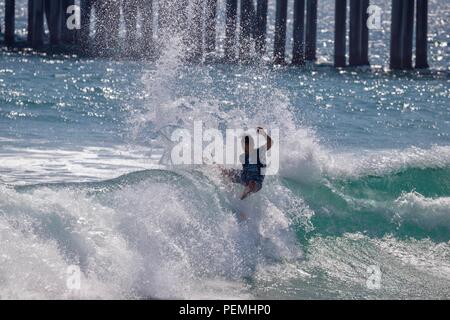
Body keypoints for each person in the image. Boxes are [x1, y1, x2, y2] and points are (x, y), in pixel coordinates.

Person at [223, 127, 272, 200]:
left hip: (256, 182)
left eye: (247, 147)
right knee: (226, 171)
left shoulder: (259, 151)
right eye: (244, 147)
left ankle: (241, 199)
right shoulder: (242, 157)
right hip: (245, 177)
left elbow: (270, 143)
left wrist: (263, 133)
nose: (245, 149)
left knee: (251, 184)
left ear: (252, 144)